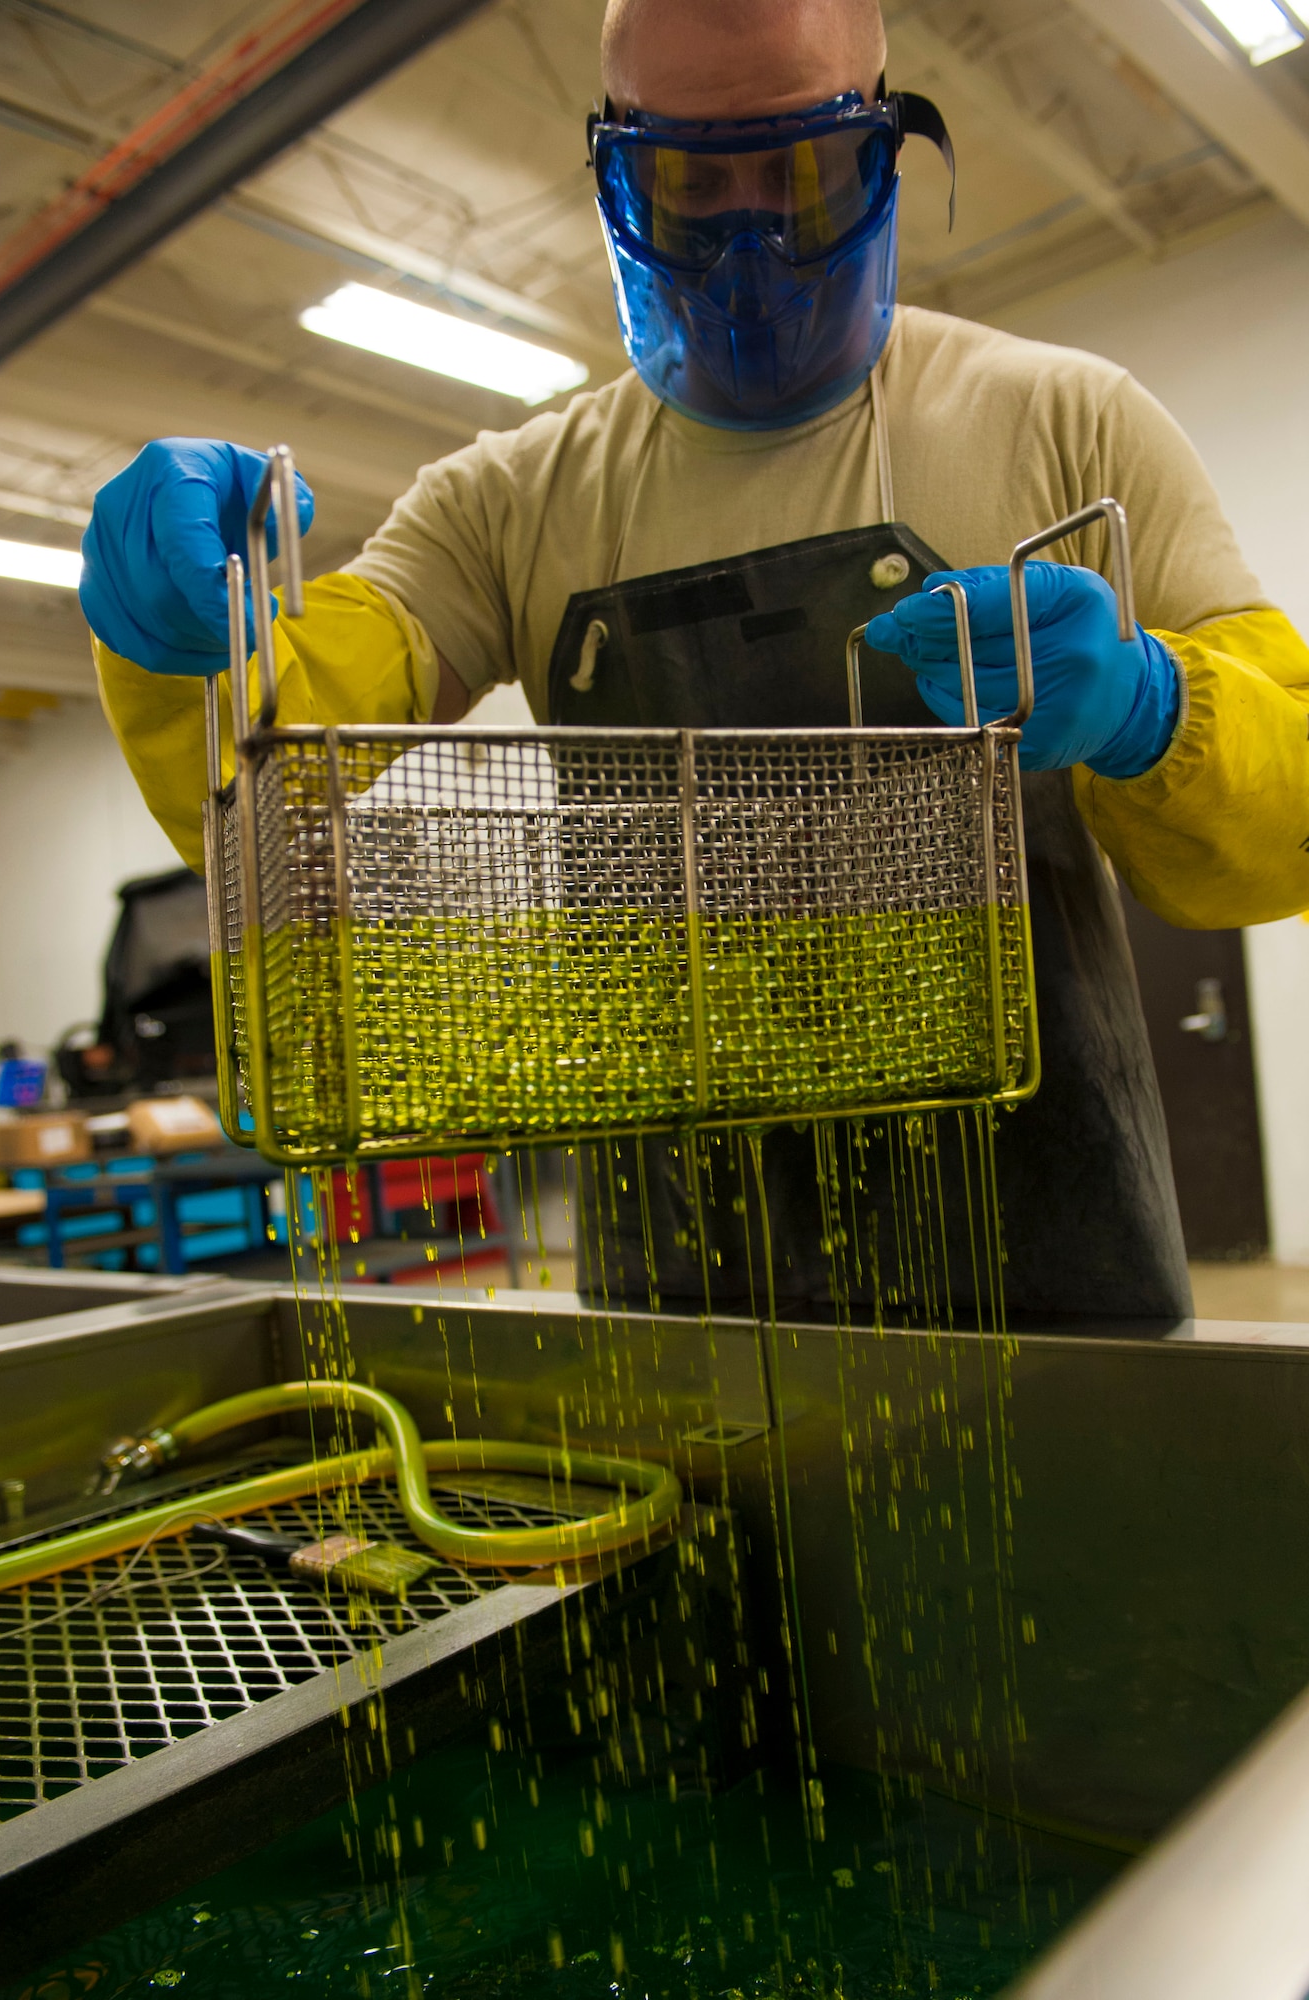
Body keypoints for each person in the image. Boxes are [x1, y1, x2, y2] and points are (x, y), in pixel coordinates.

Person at [81, 0, 1309, 1326]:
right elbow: (276, 771)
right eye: (688, 182)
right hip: (680, 1301)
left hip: (1048, 1283)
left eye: (800, 173)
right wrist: (191, 639)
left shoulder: (1066, 425)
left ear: (886, 153)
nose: (748, 242)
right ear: (615, 173)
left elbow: (1286, 815)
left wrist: (1151, 706)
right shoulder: (505, 504)